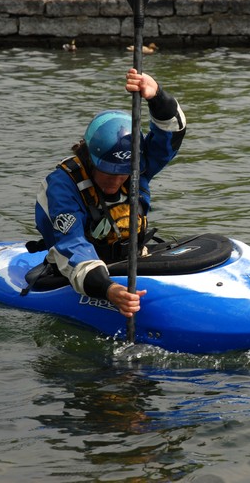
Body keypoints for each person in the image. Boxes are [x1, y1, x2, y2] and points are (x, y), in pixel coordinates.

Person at [34, 68, 186, 318]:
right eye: (108, 172)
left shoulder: (137, 167)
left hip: (134, 260)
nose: (116, 180)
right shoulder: (62, 187)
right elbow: (73, 246)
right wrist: (109, 289)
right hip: (82, 273)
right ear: (92, 161)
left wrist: (156, 96)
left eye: (123, 172)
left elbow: (172, 134)